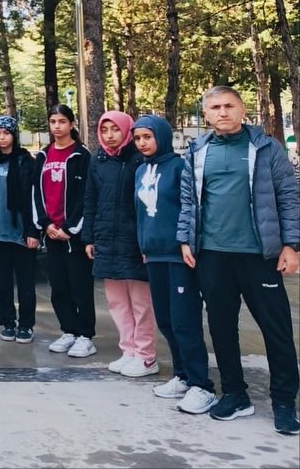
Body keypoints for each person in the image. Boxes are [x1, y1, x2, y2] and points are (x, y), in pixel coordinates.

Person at [178, 85, 299, 435]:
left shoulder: (265, 147)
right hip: (213, 255)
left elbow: (289, 197)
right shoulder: (198, 150)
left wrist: (292, 244)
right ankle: (235, 394)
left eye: (229, 105)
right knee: (222, 327)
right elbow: (188, 200)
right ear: (206, 114)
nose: (222, 112)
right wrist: (185, 239)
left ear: (242, 109)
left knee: (276, 329)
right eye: (215, 107)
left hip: (259, 256)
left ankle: (283, 402)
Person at [132, 115, 216, 415]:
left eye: (148, 137)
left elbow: (190, 209)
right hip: (153, 255)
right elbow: (140, 213)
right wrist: (143, 245)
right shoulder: (140, 169)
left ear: (162, 136)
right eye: (138, 138)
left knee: (184, 321)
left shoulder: (180, 167)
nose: (142, 143)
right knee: (166, 321)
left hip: (179, 256)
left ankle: (201, 385)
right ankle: (182, 375)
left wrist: (187, 244)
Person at [82, 111, 155, 377]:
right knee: (116, 302)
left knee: (141, 303)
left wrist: (147, 241)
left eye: (115, 129)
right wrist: (88, 237)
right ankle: (129, 351)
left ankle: (146, 356)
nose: (110, 135)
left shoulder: (139, 160)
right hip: (105, 239)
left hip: (134, 241)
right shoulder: (97, 160)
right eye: (105, 130)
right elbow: (90, 199)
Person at [32, 104, 95, 358]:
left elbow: (86, 195)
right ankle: (68, 330)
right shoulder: (43, 156)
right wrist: (46, 224)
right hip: (51, 233)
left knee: (80, 286)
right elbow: (36, 193)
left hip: (73, 235)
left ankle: (85, 336)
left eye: (62, 121)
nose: (57, 126)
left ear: (71, 124)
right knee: (58, 286)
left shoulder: (81, 155)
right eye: (53, 121)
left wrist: (70, 227)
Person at [0, 115, 39, 344]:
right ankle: (8, 322)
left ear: (14, 135)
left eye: (7, 133)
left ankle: (26, 324)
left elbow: (35, 198)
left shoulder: (26, 162)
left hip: (21, 234)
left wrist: (33, 231)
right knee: (0, 284)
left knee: (25, 285)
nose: (2, 138)